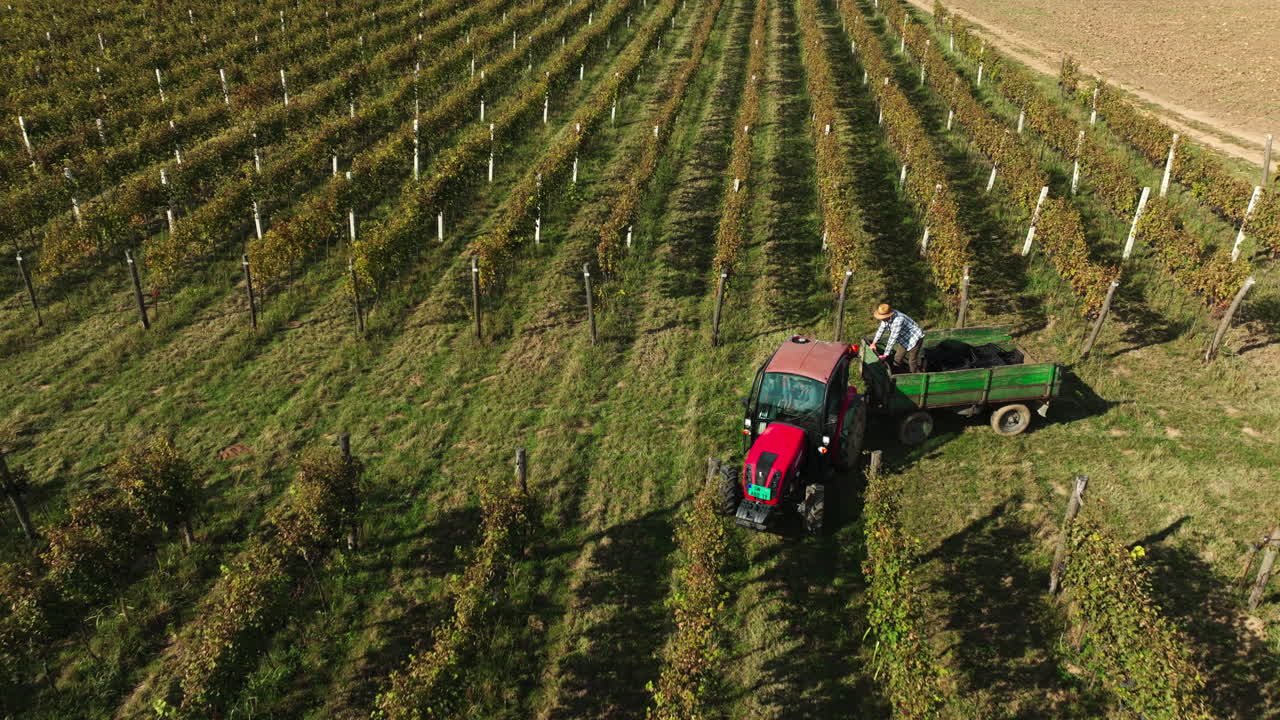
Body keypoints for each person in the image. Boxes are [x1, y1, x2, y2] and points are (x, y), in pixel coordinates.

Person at [869, 303, 925, 373]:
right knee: (897, 359)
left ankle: (916, 377)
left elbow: (892, 338)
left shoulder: (898, 320)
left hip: (915, 338)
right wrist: (874, 343)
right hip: (904, 339)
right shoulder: (885, 318)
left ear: (888, 315)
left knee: (912, 361)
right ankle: (898, 375)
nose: (881, 319)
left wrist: (885, 354)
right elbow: (881, 329)